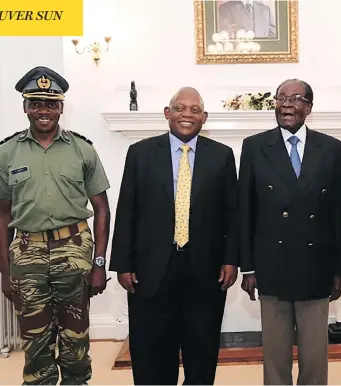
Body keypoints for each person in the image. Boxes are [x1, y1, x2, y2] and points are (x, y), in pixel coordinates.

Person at [109, 87, 239, 385]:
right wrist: (123, 263)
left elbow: (231, 214)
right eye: (180, 108)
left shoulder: (222, 156)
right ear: (167, 113)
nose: (187, 115)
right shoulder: (140, 153)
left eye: (195, 110)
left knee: (202, 350)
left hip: (205, 271)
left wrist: (231, 260)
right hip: (150, 270)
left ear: (204, 118)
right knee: (151, 351)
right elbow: (127, 207)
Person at [0, 66, 111, 385]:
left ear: (61, 106)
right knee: (35, 343)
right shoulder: (6, 153)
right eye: (36, 103)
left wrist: (99, 263)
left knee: (76, 342)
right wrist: (5, 272)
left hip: (74, 251)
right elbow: (3, 215)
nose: (43, 111)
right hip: (27, 253)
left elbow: (101, 209)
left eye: (50, 104)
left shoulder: (82, 149)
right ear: (25, 107)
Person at [239, 79, 341, 385]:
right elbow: (245, 209)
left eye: (296, 98)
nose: (287, 104)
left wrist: (340, 269)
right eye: (281, 98)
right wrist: (247, 267)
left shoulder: (331, 148)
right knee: (275, 355)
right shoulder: (254, 146)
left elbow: (340, 213)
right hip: (270, 264)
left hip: (316, 265)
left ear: (309, 108)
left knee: (315, 354)